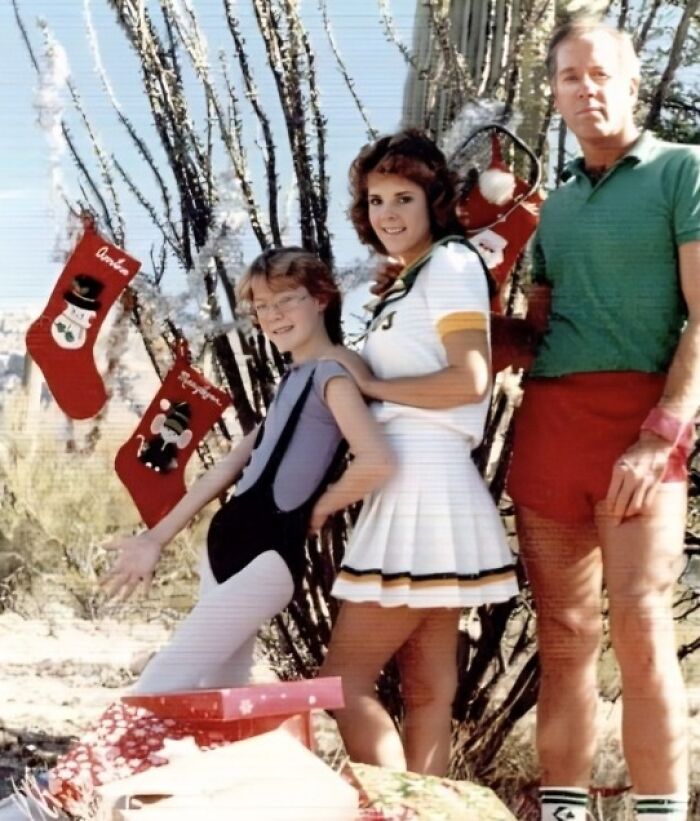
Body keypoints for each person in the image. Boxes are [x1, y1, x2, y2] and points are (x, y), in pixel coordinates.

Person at [0, 248, 394, 820]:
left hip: (266, 559)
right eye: (262, 305)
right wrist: (155, 539)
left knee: (164, 682)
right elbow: (225, 468)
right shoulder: (294, 379)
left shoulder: (334, 373)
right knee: (214, 701)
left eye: (288, 299)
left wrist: (318, 510)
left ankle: (52, 802)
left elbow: (377, 459)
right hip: (227, 549)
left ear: (323, 298)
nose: (275, 314)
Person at [506, 20, 700, 821]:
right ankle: (563, 811)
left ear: (630, 80)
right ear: (553, 95)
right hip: (552, 427)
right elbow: (535, 333)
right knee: (564, 632)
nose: (586, 90)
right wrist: (436, 296)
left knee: (642, 620)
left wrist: (663, 434)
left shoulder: (682, 171)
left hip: (642, 428)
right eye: (569, 79)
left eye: (600, 74)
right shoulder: (555, 206)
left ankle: (658, 810)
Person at [320, 130, 519, 777]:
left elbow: (469, 378)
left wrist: (368, 382)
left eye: (404, 196)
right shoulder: (409, 278)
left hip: (422, 482)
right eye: (376, 199)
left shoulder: (452, 263)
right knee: (427, 686)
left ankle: (392, 811)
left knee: (341, 681)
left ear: (435, 200)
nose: (388, 213)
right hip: (416, 481)